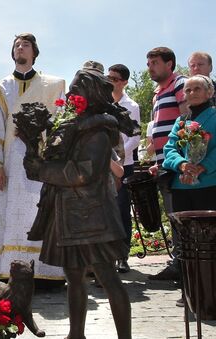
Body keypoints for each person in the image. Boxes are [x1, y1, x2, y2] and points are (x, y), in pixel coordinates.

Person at [22, 66, 134, 339]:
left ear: (92, 94)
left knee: (108, 277)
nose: (72, 93)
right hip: (68, 213)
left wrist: (42, 171)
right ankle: (76, 334)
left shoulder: (98, 130)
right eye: (71, 89)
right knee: (73, 277)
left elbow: (82, 172)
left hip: (91, 215)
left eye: (77, 88)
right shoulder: (72, 126)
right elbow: (60, 163)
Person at [0, 33, 65, 286]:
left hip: (41, 161)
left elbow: (61, 122)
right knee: (11, 216)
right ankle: (9, 271)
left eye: (25, 45)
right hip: (10, 163)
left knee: (41, 212)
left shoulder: (53, 85)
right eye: (17, 45)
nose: (20, 48)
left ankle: (46, 273)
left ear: (34, 52)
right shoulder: (1, 88)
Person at [145, 47, 188, 282]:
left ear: (169, 63)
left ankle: (184, 266)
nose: (150, 66)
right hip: (164, 162)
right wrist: (156, 161)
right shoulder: (157, 92)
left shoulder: (179, 84)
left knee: (180, 214)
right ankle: (178, 262)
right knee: (172, 214)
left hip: (178, 162)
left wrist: (181, 158)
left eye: (155, 62)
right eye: (148, 63)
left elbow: (186, 120)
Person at [163, 75, 216, 212]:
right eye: (188, 90)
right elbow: (169, 148)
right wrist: (182, 164)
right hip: (181, 186)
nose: (192, 93)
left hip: (210, 184)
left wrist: (202, 167)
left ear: (209, 92)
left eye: (197, 89)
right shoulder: (181, 121)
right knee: (184, 232)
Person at [107, 64, 141, 273]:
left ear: (124, 82)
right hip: (102, 167)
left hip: (123, 165)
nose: (110, 81)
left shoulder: (132, 105)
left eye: (114, 78)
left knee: (121, 211)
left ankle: (122, 255)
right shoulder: (102, 103)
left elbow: (135, 138)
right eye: (108, 77)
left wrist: (117, 159)